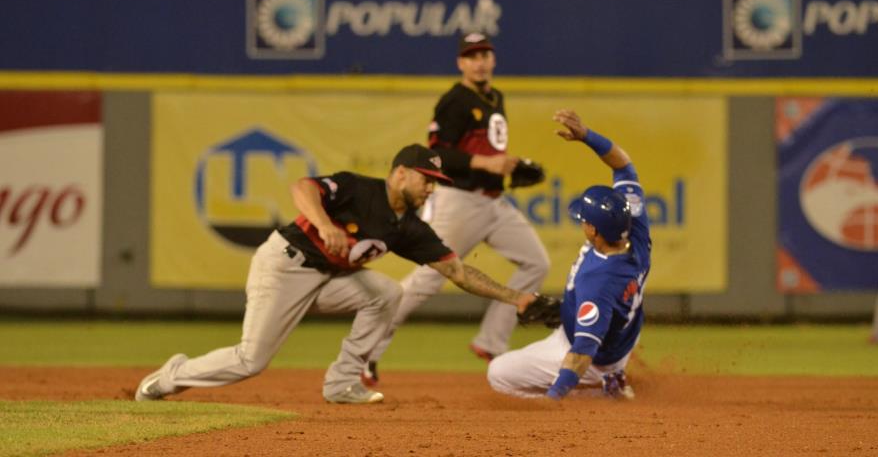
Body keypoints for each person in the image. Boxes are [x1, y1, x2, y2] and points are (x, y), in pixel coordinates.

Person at [135, 144, 536, 404]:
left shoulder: (409, 227)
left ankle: (343, 381)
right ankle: (173, 376)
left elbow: (459, 272)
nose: (432, 189)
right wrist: (325, 224)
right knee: (250, 361)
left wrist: (515, 298)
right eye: (426, 179)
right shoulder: (358, 189)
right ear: (400, 173)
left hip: (326, 278)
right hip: (284, 265)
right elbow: (302, 187)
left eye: (436, 183)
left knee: (387, 294)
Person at [364, 33, 550, 385]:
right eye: (471, 55)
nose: (479, 60)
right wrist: (486, 163)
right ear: (460, 63)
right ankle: (366, 351)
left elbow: (484, 155)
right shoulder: (455, 100)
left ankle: (491, 341)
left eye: (484, 54)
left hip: (494, 203)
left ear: (493, 59)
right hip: (460, 200)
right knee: (429, 279)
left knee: (536, 261)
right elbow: (437, 154)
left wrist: (508, 168)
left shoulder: (495, 97)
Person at [487, 110, 651, 400]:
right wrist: (587, 136)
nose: (581, 223)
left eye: (584, 220)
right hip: (621, 335)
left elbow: (581, 354)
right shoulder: (635, 230)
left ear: (594, 231)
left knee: (498, 374)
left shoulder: (597, 282)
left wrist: (554, 400)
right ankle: (609, 376)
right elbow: (624, 165)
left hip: (594, 356)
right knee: (594, 326)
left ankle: (602, 388)